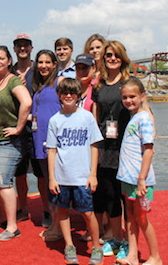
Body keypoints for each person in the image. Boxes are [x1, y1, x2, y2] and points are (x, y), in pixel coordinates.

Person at [47, 78, 104, 265]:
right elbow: (52, 150)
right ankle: (69, 245)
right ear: (59, 96)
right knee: (62, 211)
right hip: (62, 177)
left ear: (78, 95)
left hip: (82, 176)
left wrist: (93, 174)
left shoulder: (86, 117)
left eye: (72, 93)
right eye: (65, 93)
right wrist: (52, 178)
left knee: (88, 213)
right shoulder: (55, 120)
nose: (68, 96)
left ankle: (96, 246)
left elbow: (94, 145)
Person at [0, 46, 32, 241]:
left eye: (2, 58)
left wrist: (18, 128)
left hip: (8, 142)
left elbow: (26, 102)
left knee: (4, 182)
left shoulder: (13, 81)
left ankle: (12, 226)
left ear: (9, 61)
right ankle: (2, 217)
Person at [116, 79, 162, 265]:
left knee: (142, 217)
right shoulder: (134, 117)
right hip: (127, 177)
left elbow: (149, 150)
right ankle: (133, 255)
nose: (128, 100)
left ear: (142, 96)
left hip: (138, 178)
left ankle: (155, 256)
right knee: (130, 216)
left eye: (132, 96)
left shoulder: (144, 118)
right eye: (125, 97)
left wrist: (142, 178)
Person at [92, 40, 131, 259]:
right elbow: (96, 118)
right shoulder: (99, 85)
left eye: (116, 55)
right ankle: (116, 238)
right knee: (109, 195)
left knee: (126, 197)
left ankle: (127, 241)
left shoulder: (130, 82)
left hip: (126, 146)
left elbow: (142, 108)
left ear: (122, 57)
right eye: (108, 55)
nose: (112, 59)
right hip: (105, 146)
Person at [31, 49, 63, 240]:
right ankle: (55, 222)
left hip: (55, 142)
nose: (43, 66)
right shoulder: (40, 86)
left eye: (47, 62)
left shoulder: (59, 83)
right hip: (39, 139)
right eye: (40, 62)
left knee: (57, 182)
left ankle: (58, 226)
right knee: (48, 182)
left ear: (54, 64)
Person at [12, 33, 36, 222]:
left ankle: (47, 210)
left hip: (37, 128)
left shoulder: (39, 69)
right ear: (14, 49)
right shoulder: (10, 71)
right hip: (17, 129)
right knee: (20, 173)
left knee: (42, 173)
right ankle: (23, 208)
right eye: (19, 45)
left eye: (25, 45)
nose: (22, 48)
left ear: (31, 48)